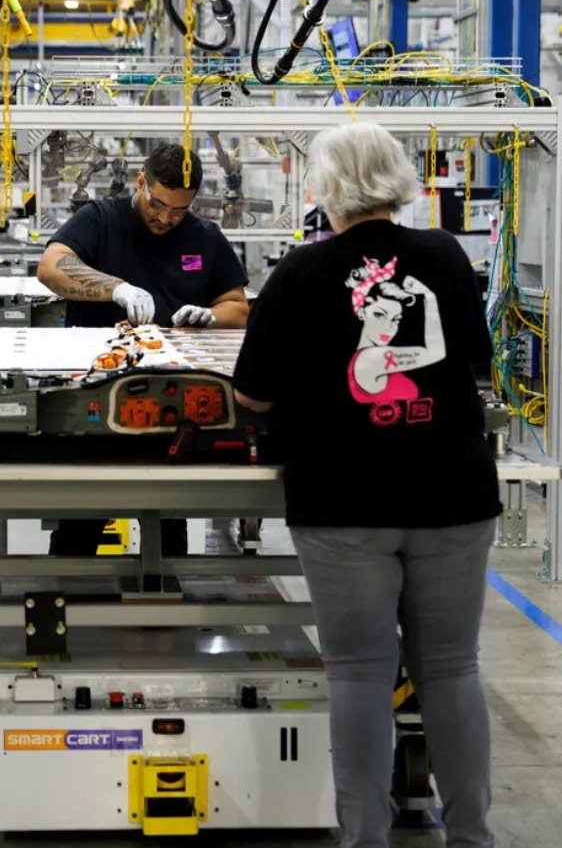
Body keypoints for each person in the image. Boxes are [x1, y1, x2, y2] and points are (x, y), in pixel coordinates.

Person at [232, 122, 501, 848]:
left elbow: (252, 393)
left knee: (358, 674)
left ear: (324, 188)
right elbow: (474, 358)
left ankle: (365, 840)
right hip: (452, 493)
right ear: (396, 177)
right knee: (452, 669)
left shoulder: (299, 271)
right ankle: (473, 837)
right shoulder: (443, 255)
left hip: (342, 498)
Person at [38, 141, 249, 556]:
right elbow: (50, 267)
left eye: (178, 210)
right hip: (96, 392)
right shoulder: (100, 219)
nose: (166, 218)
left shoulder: (204, 237)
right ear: (141, 182)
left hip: (172, 401)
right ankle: (70, 582)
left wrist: (210, 316)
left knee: (168, 524)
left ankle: (163, 588)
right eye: (158, 204)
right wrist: (115, 288)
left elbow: (237, 307)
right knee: (82, 522)